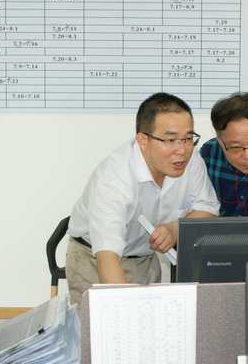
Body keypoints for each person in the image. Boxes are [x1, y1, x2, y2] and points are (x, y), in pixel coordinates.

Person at [65, 92, 220, 304]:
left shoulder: (191, 159)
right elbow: (107, 256)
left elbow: (209, 209)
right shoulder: (115, 177)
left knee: (150, 323)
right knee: (106, 321)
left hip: (145, 260)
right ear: (143, 140)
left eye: (187, 138)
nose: (182, 150)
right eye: (170, 140)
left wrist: (175, 228)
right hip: (94, 260)